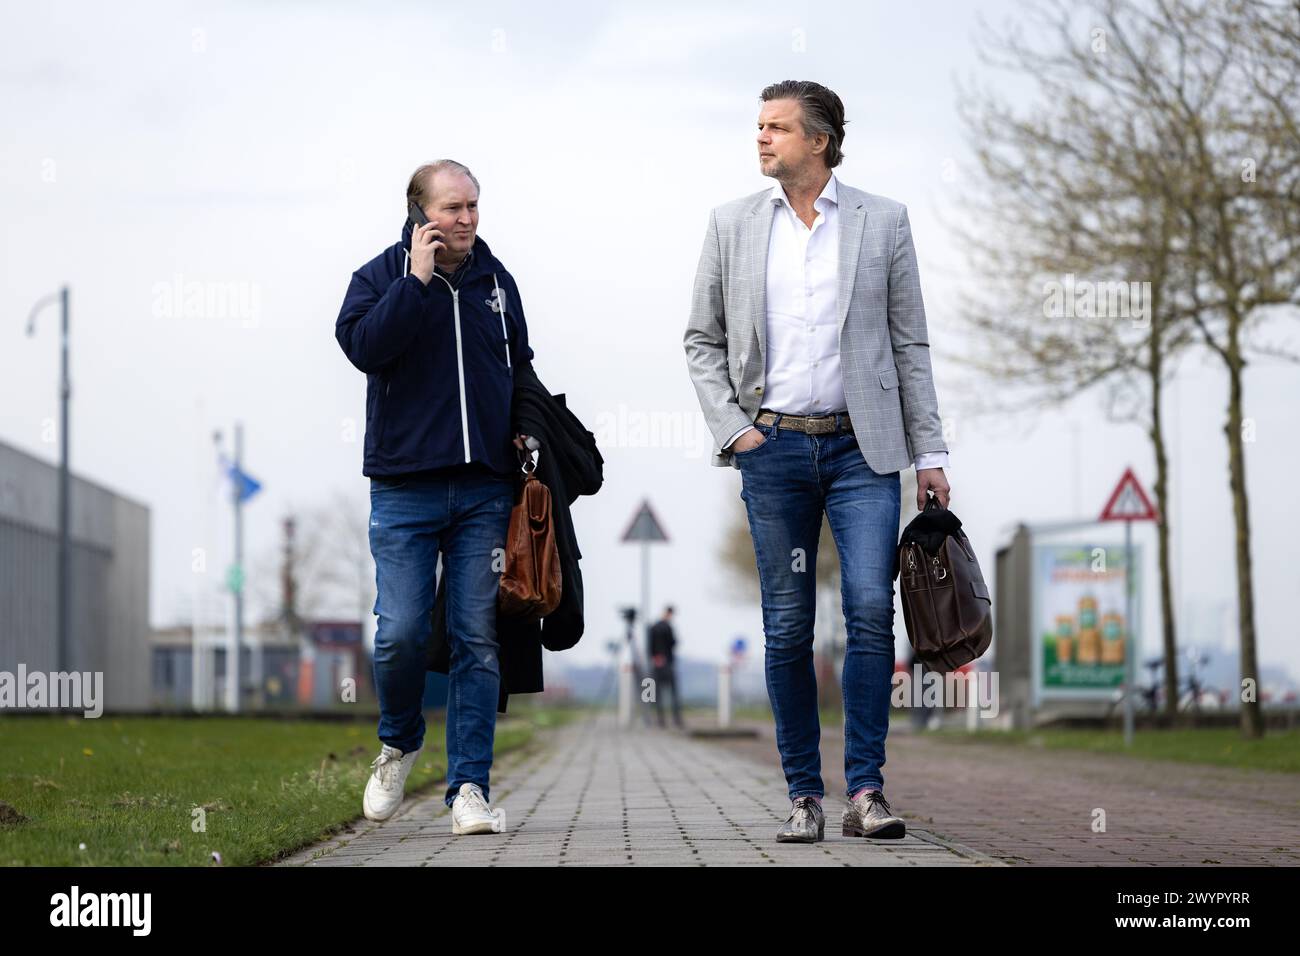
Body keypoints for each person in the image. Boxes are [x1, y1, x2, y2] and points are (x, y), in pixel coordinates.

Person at [683, 81, 951, 844]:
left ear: (820, 141)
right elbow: (701, 338)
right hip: (772, 449)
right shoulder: (732, 224)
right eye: (758, 126)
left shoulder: (883, 221)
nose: (761, 139)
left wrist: (928, 451)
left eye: (776, 128)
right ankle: (804, 794)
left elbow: (910, 344)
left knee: (870, 609)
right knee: (787, 624)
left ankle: (865, 791)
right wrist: (734, 429)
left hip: (864, 449)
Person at [335, 159, 534, 835]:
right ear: (421, 214)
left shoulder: (495, 281)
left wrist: (528, 431)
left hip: (483, 490)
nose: (468, 219)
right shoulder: (378, 278)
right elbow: (364, 347)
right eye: (453, 208)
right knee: (400, 634)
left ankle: (470, 790)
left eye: (474, 206)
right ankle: (398, 741)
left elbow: (521, 365)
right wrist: (415, 283)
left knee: (476, 637)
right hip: (404, 487)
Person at [647, 606, 685, 729]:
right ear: (669, 614)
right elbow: (673, 643)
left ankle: (660, 720)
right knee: (673, 693)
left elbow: (649, 647)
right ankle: (677, 719)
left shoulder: (653, 627)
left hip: (656, 664)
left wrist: (655, 657)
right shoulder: (668, 627)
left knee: (656, 694)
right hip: (667, 663)